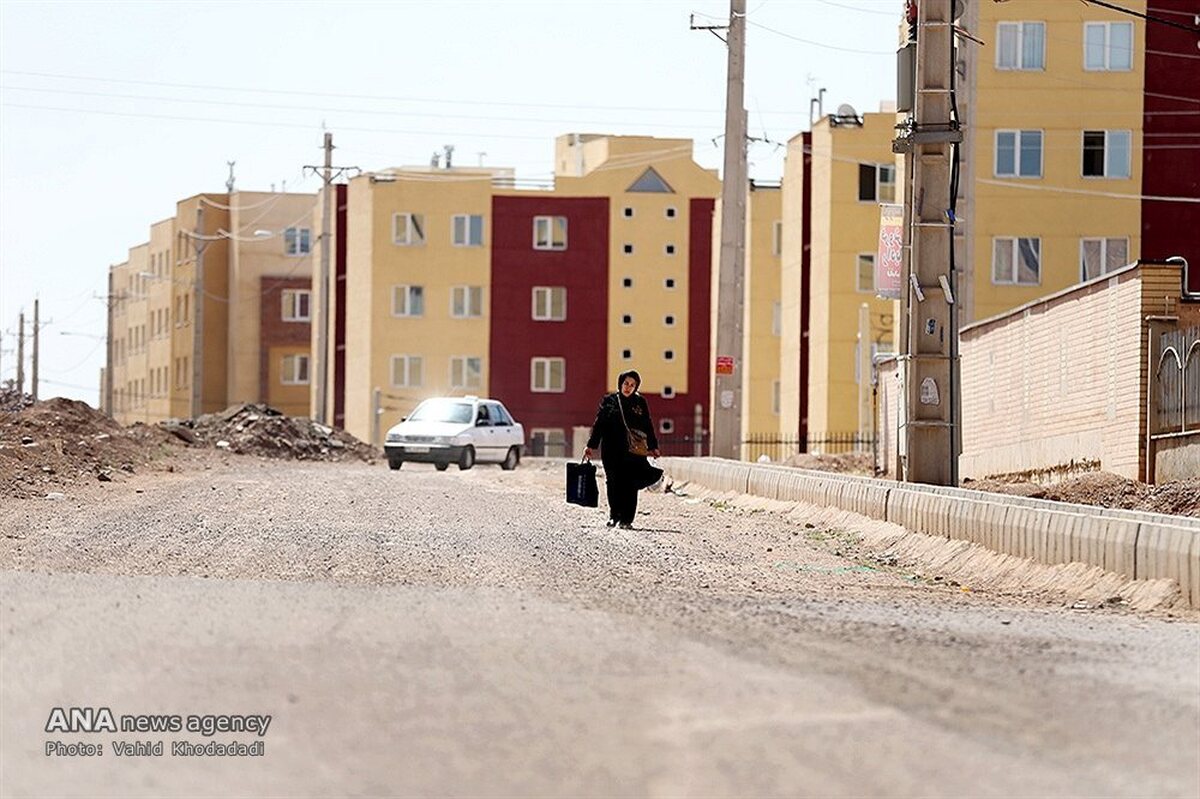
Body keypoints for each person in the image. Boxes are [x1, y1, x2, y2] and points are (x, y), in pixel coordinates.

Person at [584, 370, 662, 529]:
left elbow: (648, 425)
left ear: (636, 387)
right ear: (620, 384)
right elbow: (599, 424)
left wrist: (653, 446)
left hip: (633, 451)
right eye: (626, 383)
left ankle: (627, 519)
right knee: (613, 482)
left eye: (632, 385)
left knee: (630, 484)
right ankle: (614, 516)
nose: (628, 387)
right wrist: (591, 445)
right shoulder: (610, 400)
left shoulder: (640, 403)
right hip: (611, 450)